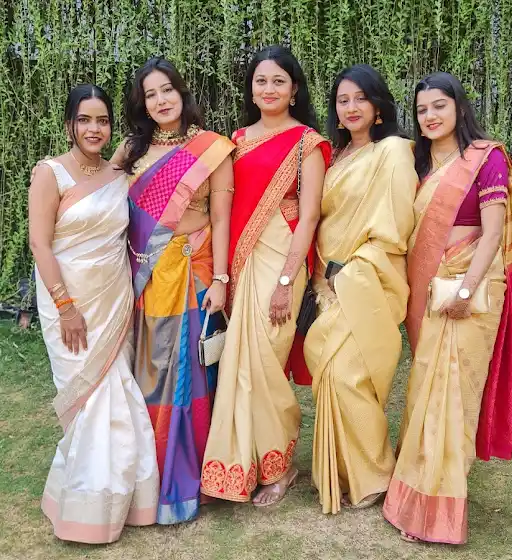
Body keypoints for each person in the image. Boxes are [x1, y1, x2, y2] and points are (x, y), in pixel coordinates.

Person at [383, 72, 512, 544]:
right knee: (424, 389)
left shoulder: (485, 157)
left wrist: (465, 289)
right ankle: (412, 492)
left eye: (439, 106)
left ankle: (436, 512)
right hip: (426, 286)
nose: (430, 116)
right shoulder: (417, 164)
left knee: (453, 397)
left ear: (458, 107)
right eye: (422, 110)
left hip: (466, 289)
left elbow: (492, 233)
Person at [200, 46, 331, 507]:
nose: (269, 89)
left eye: (279, 81)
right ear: (251, 90)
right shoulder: (236, 140)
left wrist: (286, 281)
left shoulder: (308, 143)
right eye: (261, 81)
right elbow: (223, 208)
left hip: (282, 265)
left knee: (266, 365)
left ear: (294, 90)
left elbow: (309, 216)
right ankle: (239, 467)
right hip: (242, 264)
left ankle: (280, 466)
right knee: (240, 365)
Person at [29, 85, 159, 544]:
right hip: (68, 304)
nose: (94, 129)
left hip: (113, 302)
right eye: (84, 120)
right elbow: (40, 244)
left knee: (116, 396)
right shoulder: (50, 173)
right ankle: (87, 503)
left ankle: (120, 501)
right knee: (85, 399)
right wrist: (66, 307)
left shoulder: (119, 174)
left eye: (102, 120)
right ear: (70, 124)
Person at [115, 57, 235, 524]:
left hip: (193, 269)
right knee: (151, 369)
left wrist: (221, 279)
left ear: (182, 93)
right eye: (151, 94)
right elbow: (103, 204)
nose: (161, 100)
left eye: (167, 90)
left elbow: (221, 219)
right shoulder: (131, 150)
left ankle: (191, 475)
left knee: (191, 373)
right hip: (146, 274)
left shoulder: (212, 149)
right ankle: (151, 474)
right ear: (142, 104)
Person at [303, 65, 417, 515]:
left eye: (360, 99)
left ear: (378, 106)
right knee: (329, 372)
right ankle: (343, 472)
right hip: (326, 285)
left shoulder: (393, 151)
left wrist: (350, 271)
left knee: (349, 374)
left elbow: (395, 225)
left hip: (369, 278)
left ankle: (375, 474)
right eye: (342, 100)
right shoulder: (334, 157)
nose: (351, 108)